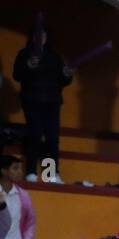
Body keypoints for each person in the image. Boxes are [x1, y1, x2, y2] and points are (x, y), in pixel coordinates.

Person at [13, 24, 72, 183]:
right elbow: (17, 75)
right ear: (33, 38)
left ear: (46, 38)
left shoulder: (55, 57)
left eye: (43, 36)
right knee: (35, 136)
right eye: (38, 36)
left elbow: (63, 80)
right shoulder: (24, 54)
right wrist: (29, 66)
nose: (41, 39)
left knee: (52, 138)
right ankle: (31, 172)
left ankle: (50, 174)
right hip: (32, 102)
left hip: (52, 102)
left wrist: (67, 75)